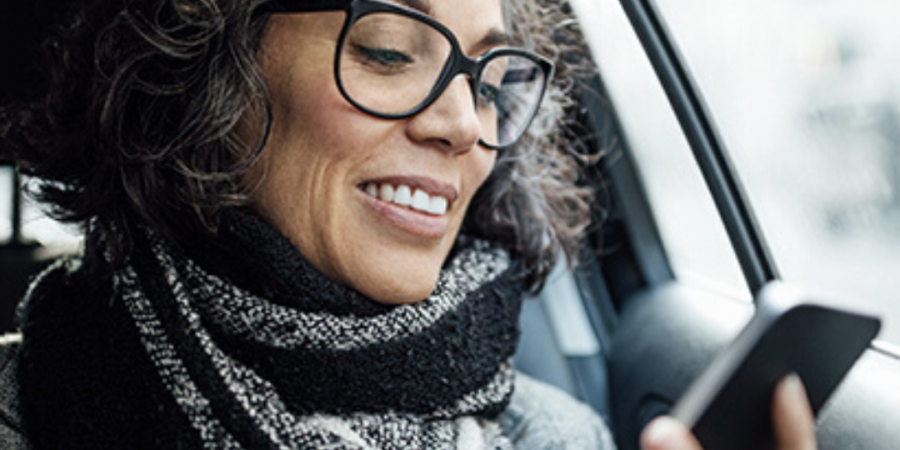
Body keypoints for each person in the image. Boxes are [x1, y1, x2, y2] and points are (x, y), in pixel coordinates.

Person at [0, 0, 816, 448]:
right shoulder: (23, 411)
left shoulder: (560, 438)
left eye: (491, 81)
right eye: (389, 51)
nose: (465, 123)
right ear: (210, 72)